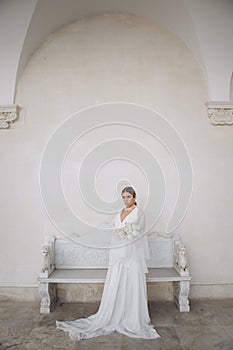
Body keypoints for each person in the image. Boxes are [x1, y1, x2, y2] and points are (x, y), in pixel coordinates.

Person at [56, 186, 160, 340]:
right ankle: (114, 312)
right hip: (118, 254)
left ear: (134, 197)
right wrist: (118, 236)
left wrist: (129, 237)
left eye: (128, 197)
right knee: (117, 283)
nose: (126, 200)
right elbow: (113, 231)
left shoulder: (139, 213)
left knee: (131, 284)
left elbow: (140, 234)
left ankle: (131, 316)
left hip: (131, 256)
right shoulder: (119, 213)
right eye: (123, 197)